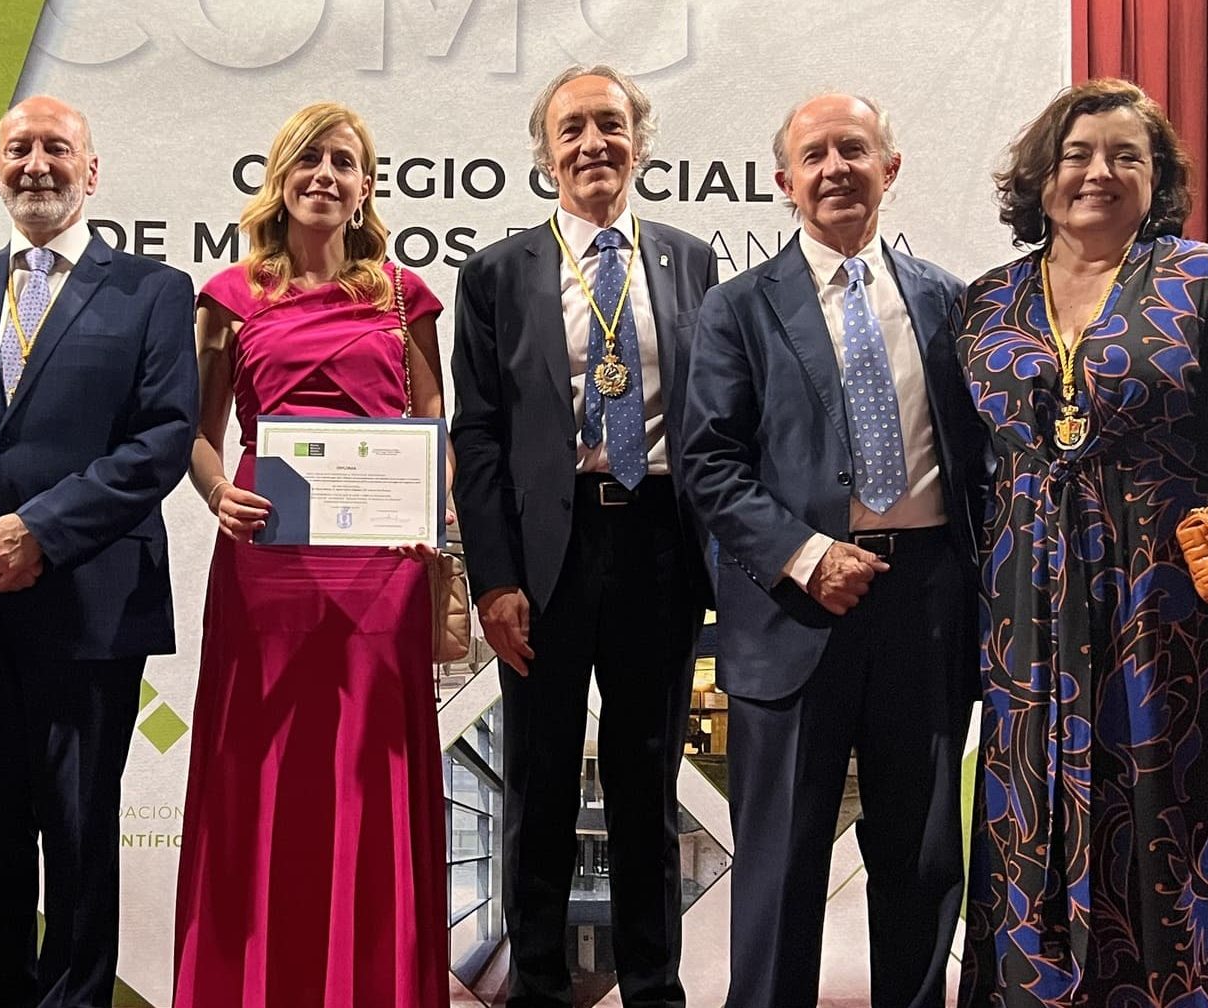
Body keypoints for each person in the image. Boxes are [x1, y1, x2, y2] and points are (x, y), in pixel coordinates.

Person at [956, 78, 1208, 1006]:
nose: (1100, 172)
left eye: (1128, 156)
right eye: (1078, 154)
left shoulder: (1203, 280)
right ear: (1041, 176)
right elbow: (965, 466)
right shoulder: (988, 300)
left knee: (1179, 810)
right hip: (1030, 607)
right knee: (1036, 811)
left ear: (1157, 178)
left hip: (1173, 607)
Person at [0, 95, 197, 1008]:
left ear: (91, 171)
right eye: (17, 148)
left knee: (79, 829)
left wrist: (39, 533)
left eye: (57, 148)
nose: (35, 164)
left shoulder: (152, 291)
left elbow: (162, 438)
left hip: (90, 605)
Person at [676, 92, 983, 1008]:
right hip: (794, 606)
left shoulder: (949, 302)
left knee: (922, 859)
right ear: (785, 182)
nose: (835, 168)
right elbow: (707, 462)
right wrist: (809, 555)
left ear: (891, 168)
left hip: (925, 607)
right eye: (814, 156)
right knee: (779, 867)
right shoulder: (736, 308)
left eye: (854, 148)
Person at [449, 65, 718, 1008]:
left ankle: (653, 988)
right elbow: (478, 435)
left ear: (639, 142)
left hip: (657, 546)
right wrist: (494, 579)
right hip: (544, 558)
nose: (593, 143)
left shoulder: (691, 261)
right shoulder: (495, 273)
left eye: (610, 124)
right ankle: (534, 986)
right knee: (539, 784)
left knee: (646, 786)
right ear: (545, 152)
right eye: (572, 129)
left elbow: (713, 417)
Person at [170, 101, 449, 1007]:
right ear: (281, 177)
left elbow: (433, 423)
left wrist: (430, 507)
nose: (325, 175)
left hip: (382, 569)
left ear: (366, 185)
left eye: (344, 162)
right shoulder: (229, 295)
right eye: (309, 160)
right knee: (263, 769)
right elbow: (197, 432)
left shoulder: (402, 296)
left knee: (371, 767)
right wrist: (217, 492)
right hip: (268, 565)